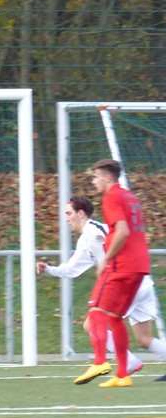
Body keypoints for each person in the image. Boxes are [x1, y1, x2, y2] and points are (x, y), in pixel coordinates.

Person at [37, 195, 166, 379]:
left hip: (128, 283)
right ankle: (129, 361)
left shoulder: (95, 229)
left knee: (92, 323)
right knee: (144, 339)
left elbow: (113, 235)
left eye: (68, 213)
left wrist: (112, 253)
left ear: (80, 213)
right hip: (141, 283)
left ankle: (127, 362)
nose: (66, 218)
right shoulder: (85, 240)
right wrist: (49, 269)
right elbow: (71, 270)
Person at [73, 160, 151, 387]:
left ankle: (99, 362)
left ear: (108, 178)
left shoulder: (111, 197)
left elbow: (123, 231)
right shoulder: (130, 197)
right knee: (115, 318)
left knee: (96, 311)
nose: (93, 181)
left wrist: (106, 259)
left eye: (96, 176)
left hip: (122, 265)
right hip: (140, 267)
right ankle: (122, 375)